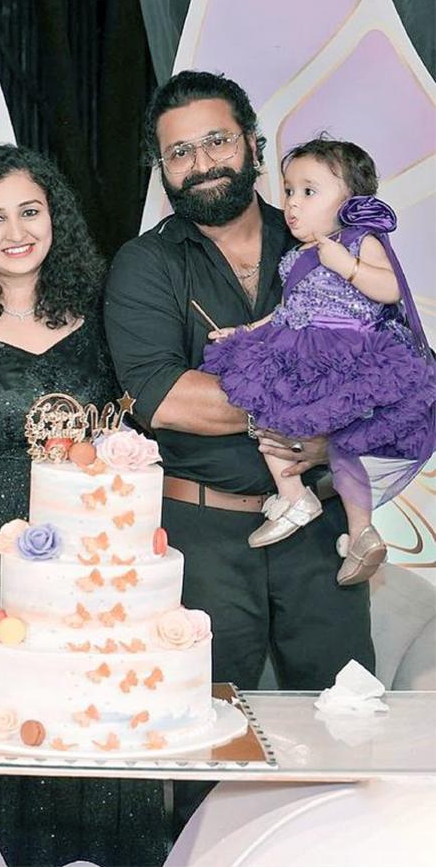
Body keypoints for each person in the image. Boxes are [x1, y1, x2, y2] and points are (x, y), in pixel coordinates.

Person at [0, 143, 165, 866]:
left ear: (55, 219)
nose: (14, 231)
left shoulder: (102, 315)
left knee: (86, 738)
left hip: (89, 577)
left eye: (29, 211)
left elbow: (134, 428)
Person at [105, 70, 374, 695]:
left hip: (322, 531)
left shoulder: (329, 244)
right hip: (201, 540)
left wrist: (328, 431)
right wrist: (315, 412)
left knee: (346, 715)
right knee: (201, 725)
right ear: (162, 169)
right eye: (180, 152)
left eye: (217, 141)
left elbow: (391, 364)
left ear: (252, 144)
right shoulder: (144, 264)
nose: (202, 164)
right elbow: (165, 399)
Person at [201, 137, 435, 582]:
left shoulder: (359, 240)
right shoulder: (297, 257)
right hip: (302, 349)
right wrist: (245, 331)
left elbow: (391, 289)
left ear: (350, 201)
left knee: (340, 444)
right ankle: (301, 499)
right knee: (266, 409)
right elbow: (287, 312)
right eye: (289, 190)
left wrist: (347, 265)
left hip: (349, 353)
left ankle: (356, 528)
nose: (292, 203)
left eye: (309, 192)